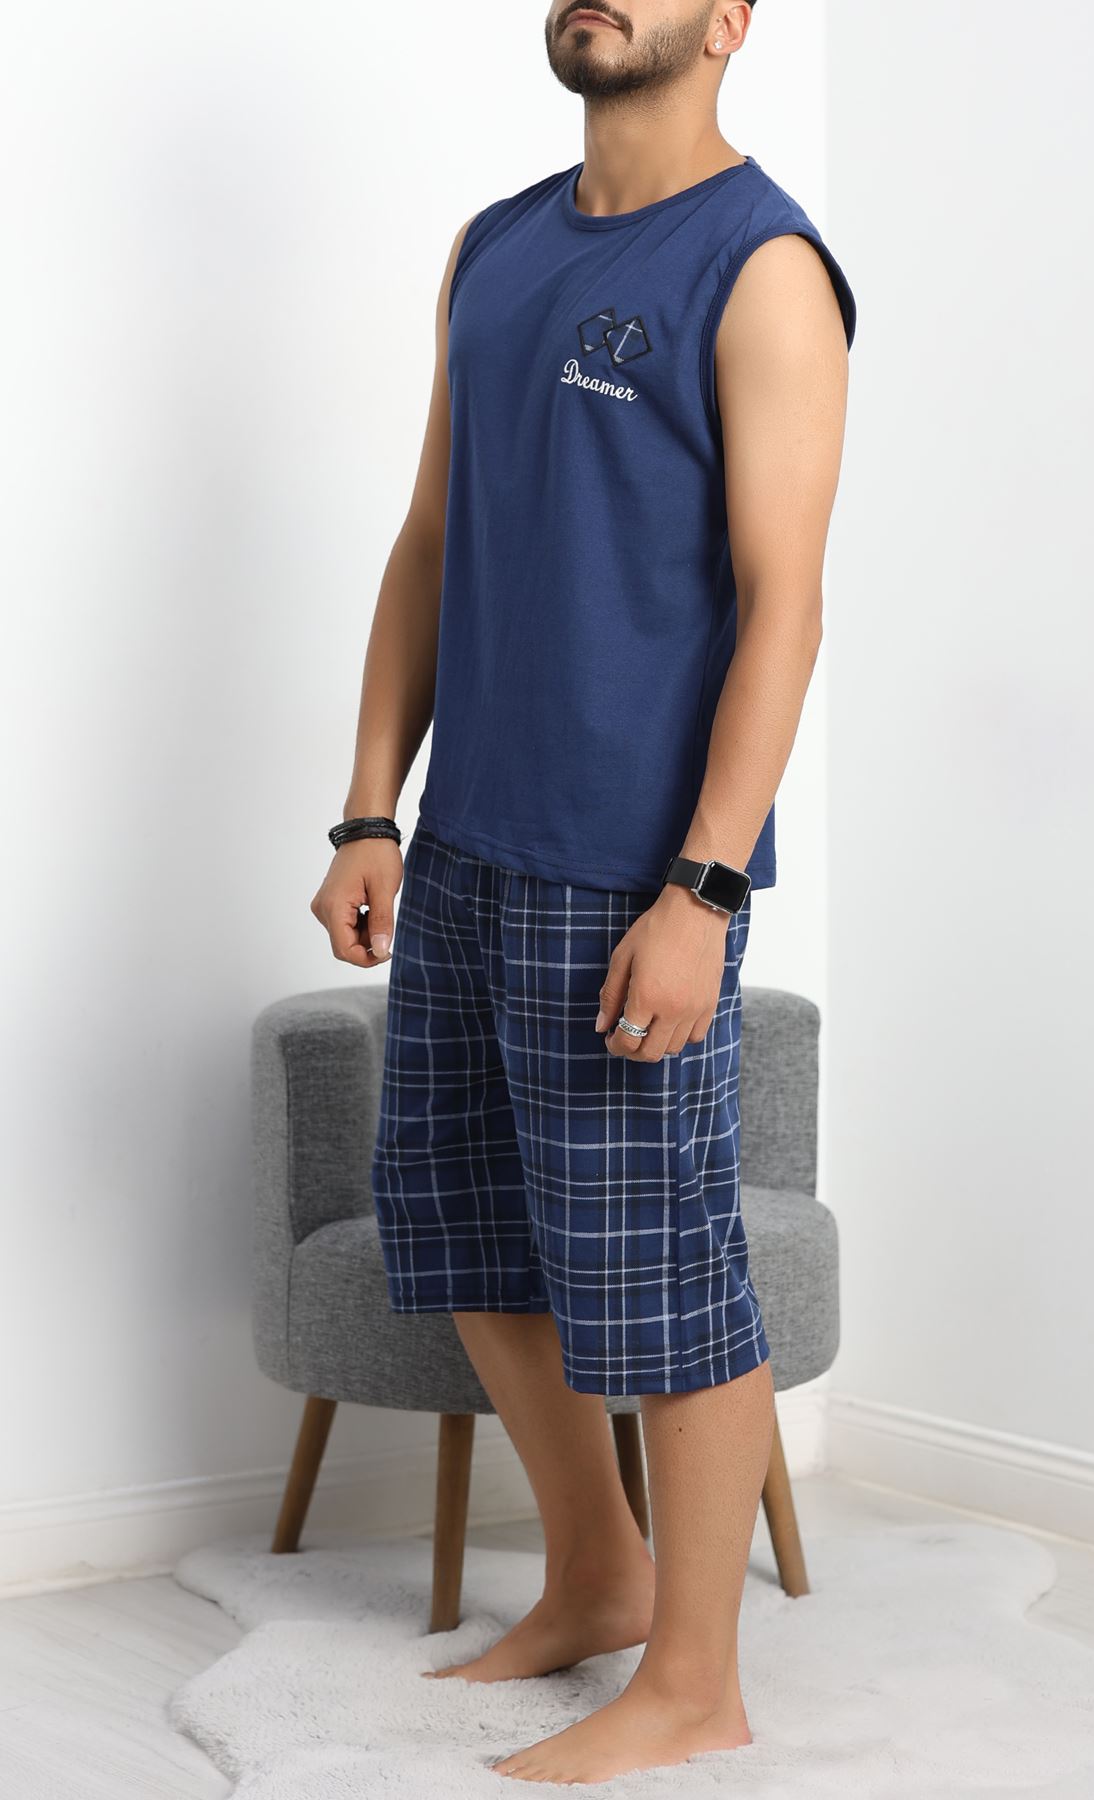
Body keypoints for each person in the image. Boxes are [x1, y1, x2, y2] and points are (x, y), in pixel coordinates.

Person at [309, 0, 855, 1784]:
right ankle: (598, 1574)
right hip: (467, 842)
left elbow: (785, 606)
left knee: (665, 1273)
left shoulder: (764, 267)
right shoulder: (493, 244)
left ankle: (697, 1685)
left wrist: (701, 889)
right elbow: (431, 541)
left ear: (731, 21)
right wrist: (370, 809)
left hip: (632, 872)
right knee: (468, 1228)